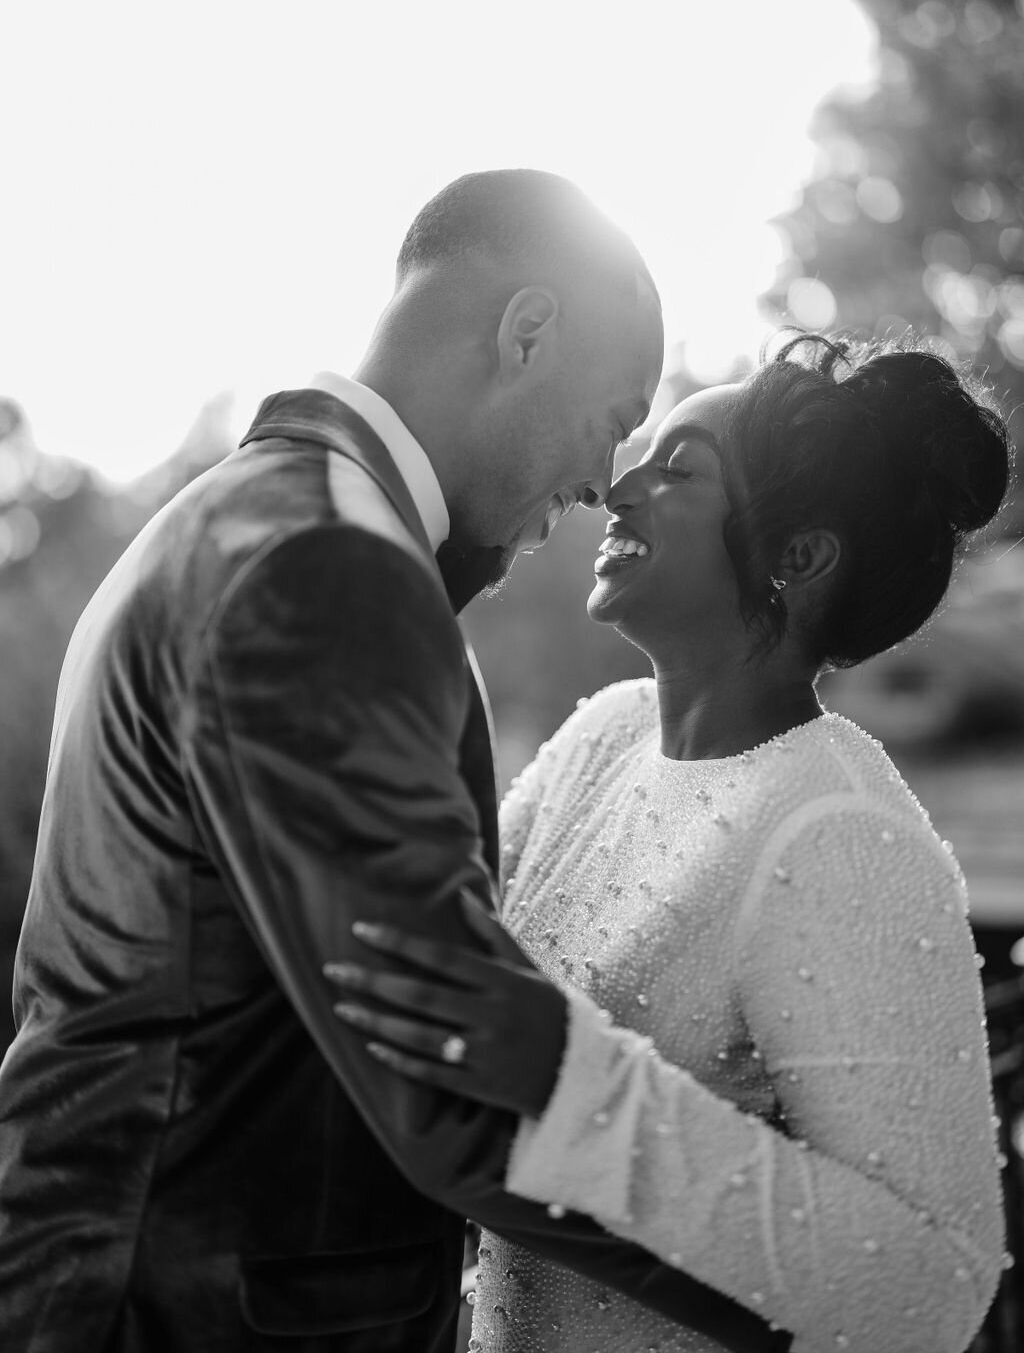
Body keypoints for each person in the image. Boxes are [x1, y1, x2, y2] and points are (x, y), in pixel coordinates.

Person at [0, 170, 788, 1353]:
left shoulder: (246, 520)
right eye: (614, 419)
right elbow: (448, 1082)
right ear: (528, 332)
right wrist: (816, 1274)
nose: (595, 487)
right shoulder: (324, 568)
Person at [326, 334, 1010, 1353]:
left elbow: (934, 1287)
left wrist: (571, 1080)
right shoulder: (599, 737)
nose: (617, 487)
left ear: (799, 558)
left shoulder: (842, 836)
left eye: (679, 469)